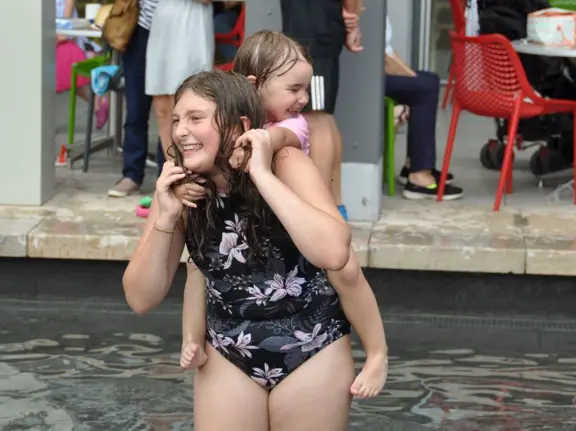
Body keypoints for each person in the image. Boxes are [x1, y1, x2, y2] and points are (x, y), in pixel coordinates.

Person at [123, 70, 381, 430]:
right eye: (178, 120)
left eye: (196, 119)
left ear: (238, 124)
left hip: (312, 345)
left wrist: (261, 175)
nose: (181, 131)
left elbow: (335, 252)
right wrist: (166, 217)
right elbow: (140, 297)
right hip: (229, 351)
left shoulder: (285, 163)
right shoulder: (180, 187)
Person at [279, 0, 365, 220]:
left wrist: (352, 20)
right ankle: (334, 206)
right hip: (313, 29)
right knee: (322, 117)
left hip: (313, 32)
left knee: (316, 118)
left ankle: (323, 209)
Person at [384, 16, 464, 200]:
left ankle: (412, 164)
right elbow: (384, 62)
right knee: (424, 88)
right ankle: (418, 176)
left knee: (430, 79)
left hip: (381, 69)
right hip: (370, 75)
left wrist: (412, 77)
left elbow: (389, 52)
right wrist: (413, 80)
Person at [143, 0, 214, 186]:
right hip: (162, 21)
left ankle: (192, 176)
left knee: (187, 102)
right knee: (162, 107)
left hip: (192, 23)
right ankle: (173, 176)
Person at [108, 0, 160, 197]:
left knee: (172, 110)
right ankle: (132, 175)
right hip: (141, 30)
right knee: (136, 109)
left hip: (178, 31)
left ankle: (166, 174)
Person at [56, 0, 109, 130]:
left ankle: (98, 100)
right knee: (66, 74)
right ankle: (97, 102)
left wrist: (64, 26)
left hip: (62, 25)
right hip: (54, 22)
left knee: (67, 72)